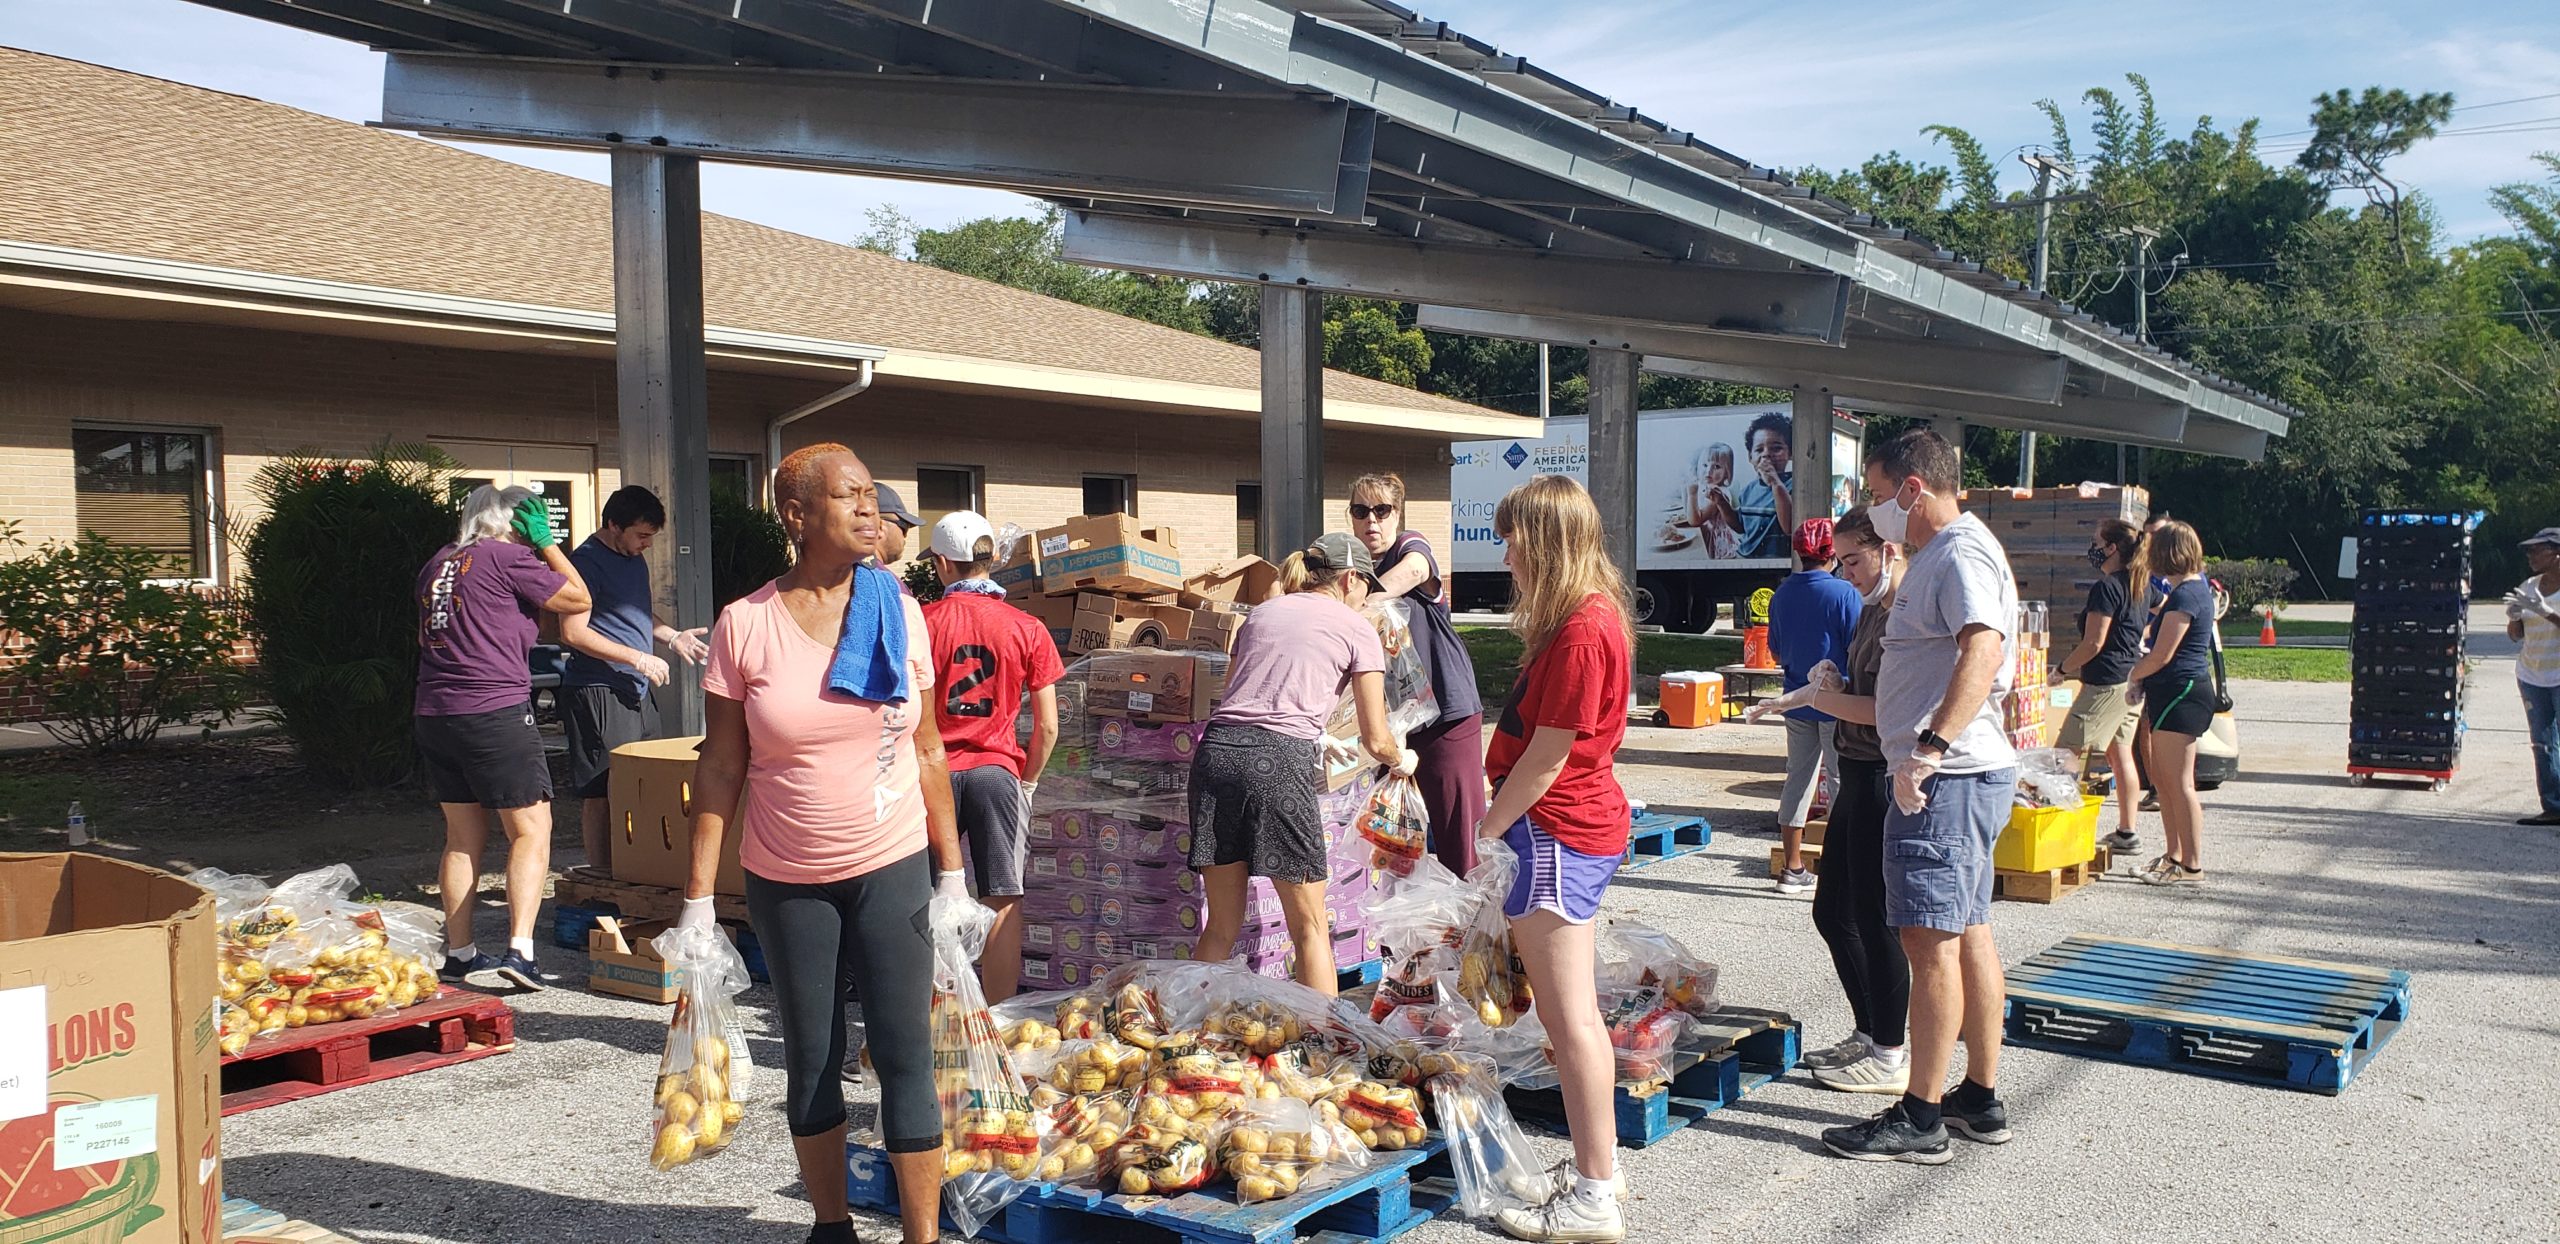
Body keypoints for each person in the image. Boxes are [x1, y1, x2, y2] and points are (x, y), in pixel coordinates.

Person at [675, 443, 967, 1244]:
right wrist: (697, 904)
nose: (871, 510)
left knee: (906, 1054)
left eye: (872, 494)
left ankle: (922, 1237)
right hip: (788, 875)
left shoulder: (899, 610)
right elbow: (723, 766)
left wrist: (952, 876)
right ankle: (830, 1226)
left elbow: (930, 747)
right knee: (811, 1054)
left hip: (894, 861)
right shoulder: (747, 625)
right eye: (849, 497)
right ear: (797, 515)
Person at [1822, 428, 2017, 1165]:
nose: (1875, 513)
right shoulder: (1949, 552)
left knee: (1928, 942)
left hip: (1945, 777)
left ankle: (1922, 1116)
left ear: (1912, 489)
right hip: (1958, 774)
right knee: (1966, 933)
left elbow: (1984, 647)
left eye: (1878, 495)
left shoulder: (1959, 552)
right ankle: (1979, 1096)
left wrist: (1929, 747)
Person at [1473, 474, 1635, 1243]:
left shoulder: (1579, 630)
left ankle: (1594, 1195)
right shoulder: (1593, 617)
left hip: (1552, 829)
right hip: (1569, 826)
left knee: (1569, 1021)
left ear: (1543, 541)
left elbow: (1545, 758)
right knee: (1575, 1018)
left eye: (1512, 538)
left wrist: (1485, 830)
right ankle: (1598, 1169)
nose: (1505, 554)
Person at [1188, 533, 1405, 995]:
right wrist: (1401, 758)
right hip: (1280, 762)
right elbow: (1376, 737)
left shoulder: (1261, 613)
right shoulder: (1356, 627)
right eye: (1366, 586)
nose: (1366, 598)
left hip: (1218, 753)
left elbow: (1239, 695)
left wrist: (1315, 731)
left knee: (1220, 927)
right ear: (1351, 579)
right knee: (1308, 926)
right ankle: (1322, 1044)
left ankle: (1184, 1033)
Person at [1749, 508, 1910, 1095]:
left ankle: (1890, 1051)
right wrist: (1814, 692)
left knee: (1874, 917)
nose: (1846, 572)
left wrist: (1815, 699)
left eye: (1855, 560)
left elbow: (1887, 708)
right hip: (1858, 761)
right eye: (1840, 560)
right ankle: (1870, 1035)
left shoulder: (1901, 611)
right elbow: (1853, 686)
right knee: (1833, 912)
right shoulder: (1865, 603)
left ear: (1888, 551)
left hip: (1879, 772)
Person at [415, 486, 591, 991]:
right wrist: (550, 545)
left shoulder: (438, 564)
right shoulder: (509, 557)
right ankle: (521, 951)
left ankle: (461, 952)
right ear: (518, 523)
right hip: (493, 710)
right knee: (531, 829)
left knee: (462, 835)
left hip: (434, 710)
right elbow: (578, 598)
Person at [920, 510, 1065, 1001]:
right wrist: (1027, 782)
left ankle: (930, 1021)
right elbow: (1046, 726)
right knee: (1003, 900)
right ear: (990, 558)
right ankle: (999, 1024)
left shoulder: (922, 622)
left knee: (924, 902)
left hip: (931, 774)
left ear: (941, 562)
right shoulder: (1026, 626)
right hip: (997, 771)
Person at [557, 485, 711, 873]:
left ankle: (640, 864)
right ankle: (603, 873)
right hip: (598, 688)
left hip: (636, 688)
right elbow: (572, 633)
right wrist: (637, 657)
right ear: (613, 525)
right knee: (604, 788)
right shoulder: (585, 564)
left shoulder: (633, 559)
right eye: (641, 536)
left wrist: (672, 637)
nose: (646, 545)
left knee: (644, 780)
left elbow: (638, 615)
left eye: (650, 537)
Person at [1348, 473, 1488, 876]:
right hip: (1388, 728)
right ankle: (1401, 934)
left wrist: (1358, 605)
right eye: (1361, 511)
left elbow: (1412, 571)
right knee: (1390, 839)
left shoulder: (1410, 548)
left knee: (1457, 836)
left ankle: (1476, 930)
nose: (1371, 521)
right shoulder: (1351, 571)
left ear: (1397, 515)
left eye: (1381, 510)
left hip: (1446, 713)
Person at [1768, 518, 1861, 894]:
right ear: (1832, 553)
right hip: (1839, 702)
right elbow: (1858, 646)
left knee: (1798, 779)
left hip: (1796, 699)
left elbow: (1776, 649)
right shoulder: (1844, 594)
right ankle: (1841, 871)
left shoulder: (1782, 594)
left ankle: (1792, 867)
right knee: (1842, 782)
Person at [2125, 521, 2216, 886]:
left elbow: (2162, 654)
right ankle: (2173, 855)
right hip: (2171, 693)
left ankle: (2191, 864)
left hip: (2183, 693)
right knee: (2163, 782)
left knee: (2179, 783)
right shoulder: (2186, 592)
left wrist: (2134, 674)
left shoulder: (2187, 596)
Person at [2054, 518, 2150, 855]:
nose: (2092, 549)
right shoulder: (2140, 584)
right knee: (2119, 752)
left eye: (2097, 542)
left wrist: (2063, 669)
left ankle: (2060, 829)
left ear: (2111, 548)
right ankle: (2127, 830)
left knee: (2066, 752)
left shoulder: (2106, 588)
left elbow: (2093, 643)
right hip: (2130, 680)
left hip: (2105, 683)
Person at [2506, 528, 2560, 826]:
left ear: (2556, 554)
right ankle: (2553, 806)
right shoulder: (2528, 586)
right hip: (2532, 675)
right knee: (2543, 742)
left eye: (2536, 550)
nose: (2530, 556)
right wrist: (2515, 616)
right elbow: (2515, 636)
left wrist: (2546, 610)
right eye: (2529, 551)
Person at [1731, 412, 1796, 561]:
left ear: (1790, 453)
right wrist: (1721, 503)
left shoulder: (1794, 485)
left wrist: (1775, 483)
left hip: (1777, 566)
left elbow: (1790, 527)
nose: (1766, 455)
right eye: (1759, 450)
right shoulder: (1748, 490)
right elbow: (1741, 527)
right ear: (1750, 457)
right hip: (1745, 561)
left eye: (1776, 448)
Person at [1685, 443, 1743, 559]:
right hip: (1706, 536)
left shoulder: (1717, 494)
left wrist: (1691, 494)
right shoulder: (1705, 487)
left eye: (1716, 467)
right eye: (1705, 465)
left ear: (1727, 473)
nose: (1709, 471)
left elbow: (1695, 521)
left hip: (1718, 544)